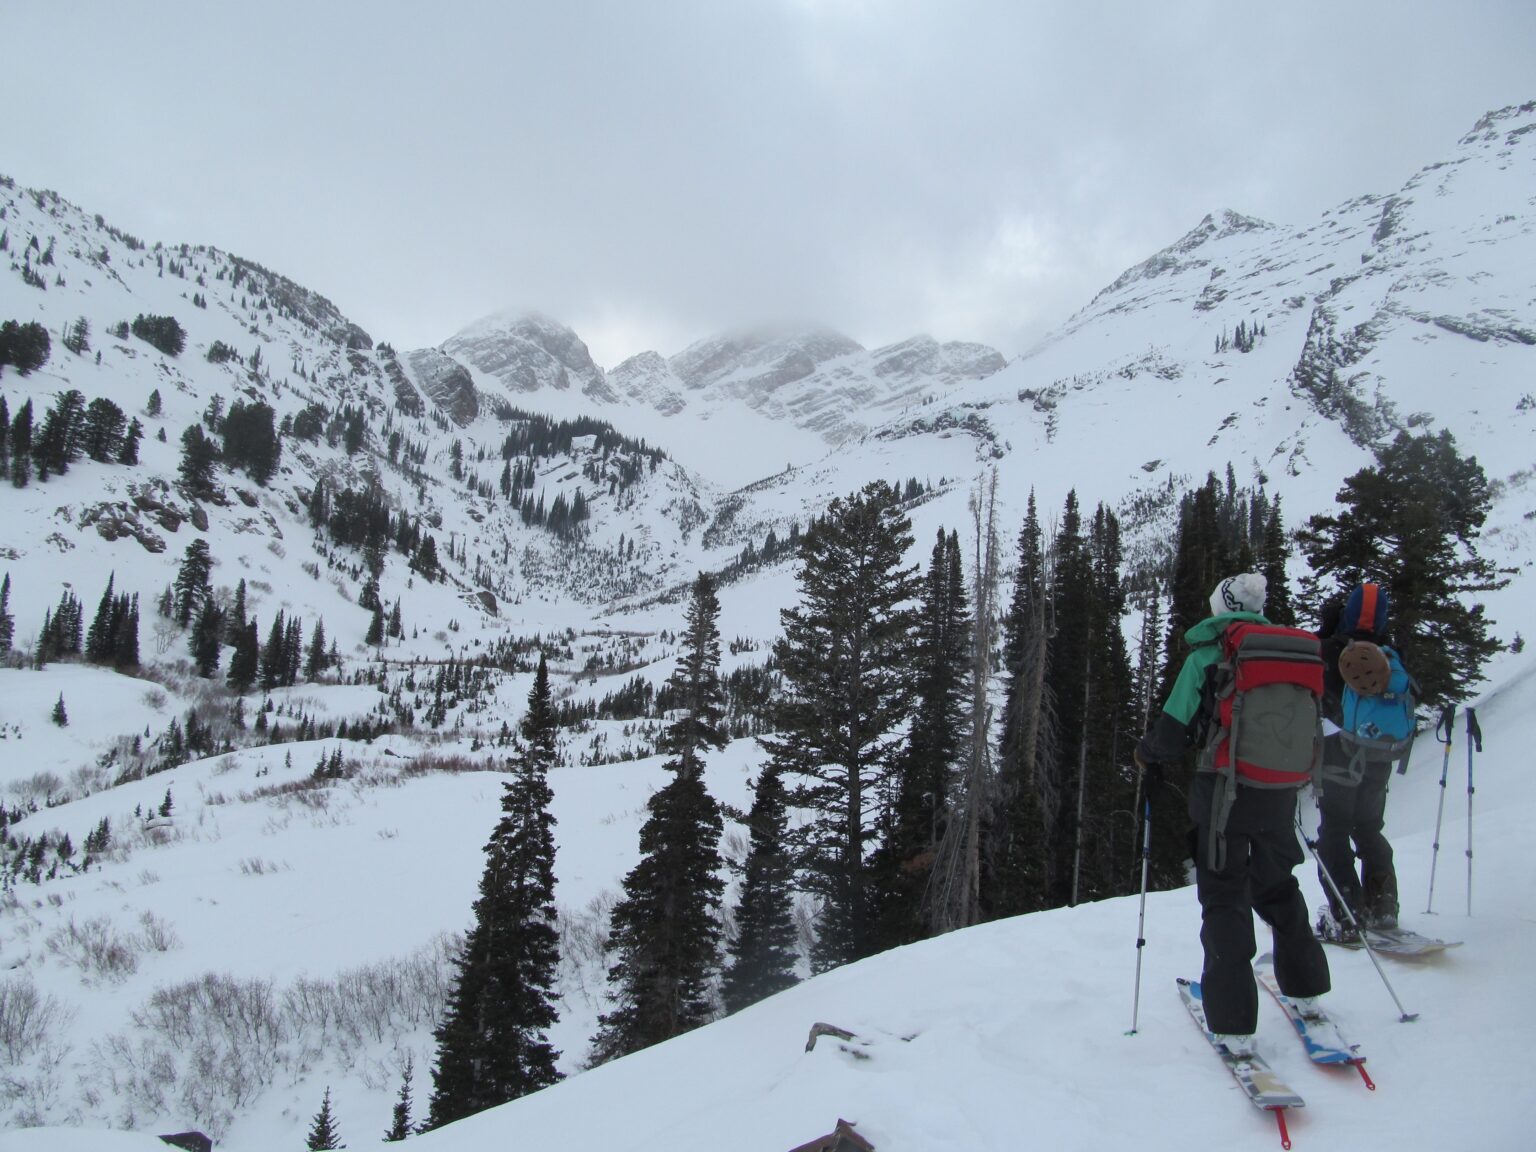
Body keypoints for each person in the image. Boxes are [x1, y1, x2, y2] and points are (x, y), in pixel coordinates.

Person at [1136, 573, 1330, 1053]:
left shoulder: (1207, 657)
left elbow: (1171, 731)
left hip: (1224, 795)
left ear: (1220, 608)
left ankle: (1234, 1020)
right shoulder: (1287, 658)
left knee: (1224, 897)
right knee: (1279, 886)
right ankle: (1306, 992)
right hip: (1280, 791)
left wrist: (1147, 757)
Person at [1314, 582, 1407, 936]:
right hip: (1380, 756)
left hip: (1339, 754)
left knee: (1334, 831)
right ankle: (1383, 904)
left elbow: (1316, 679)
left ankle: (1347, 909)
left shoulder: (1332, 649)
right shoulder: (1390, 653)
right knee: (1369, 828)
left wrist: (1328, 629)